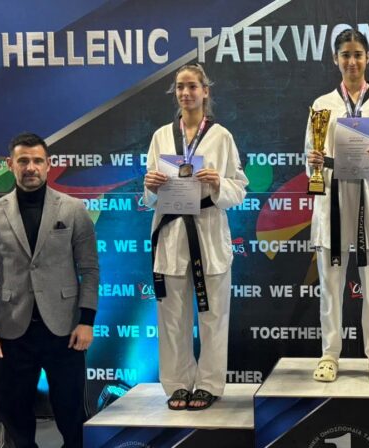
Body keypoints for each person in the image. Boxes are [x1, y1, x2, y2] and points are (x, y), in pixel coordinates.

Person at [0, 132, 99, 448]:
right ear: (10, 165)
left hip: (64, 330)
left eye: (37, 160)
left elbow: (89, 270)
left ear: (48, 164)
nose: (31, 167)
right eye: (23, 161)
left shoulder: (73, 209)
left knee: (71, 412)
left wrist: (87, 321)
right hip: (11, 332)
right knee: (14, 415)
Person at [143, 63, 248, 410]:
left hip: (208, 229)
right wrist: (150, 187)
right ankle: (177, 385)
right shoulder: (161, 136)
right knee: (172, 317)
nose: (185, 93)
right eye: (180, 87)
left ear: (205, 91)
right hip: (172, 230)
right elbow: (149, 195)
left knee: (213, 315)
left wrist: (219, 183)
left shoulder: (221, 136)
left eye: (192, 86)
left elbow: (239, 189)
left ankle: (208, 384)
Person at [305, 28, 369, 383]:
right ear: (336, 59)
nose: (352, 61)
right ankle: (329, 354)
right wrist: (313, 162)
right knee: (331, 285)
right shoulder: (321, 104)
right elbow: (310, 155)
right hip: (332, 198)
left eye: (357, 54)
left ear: (367, 58)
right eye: (345, 55)